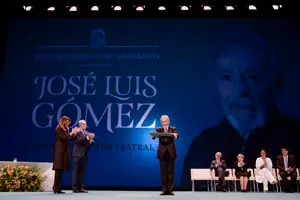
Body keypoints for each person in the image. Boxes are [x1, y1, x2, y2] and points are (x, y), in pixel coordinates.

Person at [180, 29, 300, 189]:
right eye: (227, 77)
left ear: (276, 82)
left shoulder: (297, 139)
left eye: (252, 77)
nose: (240, 90)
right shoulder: (202, 146)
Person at [152, 115, 179, 196]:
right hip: (162, 153)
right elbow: (154, 136)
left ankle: (170, 190)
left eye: (165, 121)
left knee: (171, 172)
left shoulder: (173, 129)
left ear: (168, 121)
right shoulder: (159, 129)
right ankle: (164, 190)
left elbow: (177, 134)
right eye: (162, 122)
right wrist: (153, 136)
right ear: (161, 122)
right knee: (163, 173)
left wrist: (175, 135)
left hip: (171, 153)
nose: (164, 123)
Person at [52, 116, 79, 194]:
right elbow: (64, 138)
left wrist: (75, 133)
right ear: (63, 122)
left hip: (63, 151)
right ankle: (55, 187)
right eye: (67, 123)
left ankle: (58, 188)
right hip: (59, 151)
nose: (68, 124)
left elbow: (69, 138)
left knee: (60, 169)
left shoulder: (65, 129)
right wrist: (71, 132)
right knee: (58, 169)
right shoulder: (59, 129)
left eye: (68, 123)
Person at [72, 119, 95, 193]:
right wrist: (88, 138)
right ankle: (75, 188)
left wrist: (91, 140)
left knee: (81, 172)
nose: (85, 125)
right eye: (84, 124)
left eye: (85, 124)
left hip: (84, 156)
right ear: (80, 125)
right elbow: (80, 141)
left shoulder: (87, 133)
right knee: (76, 171)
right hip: (77, 155)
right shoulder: (78, 132)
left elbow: (92, 142)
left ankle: (80, 188)